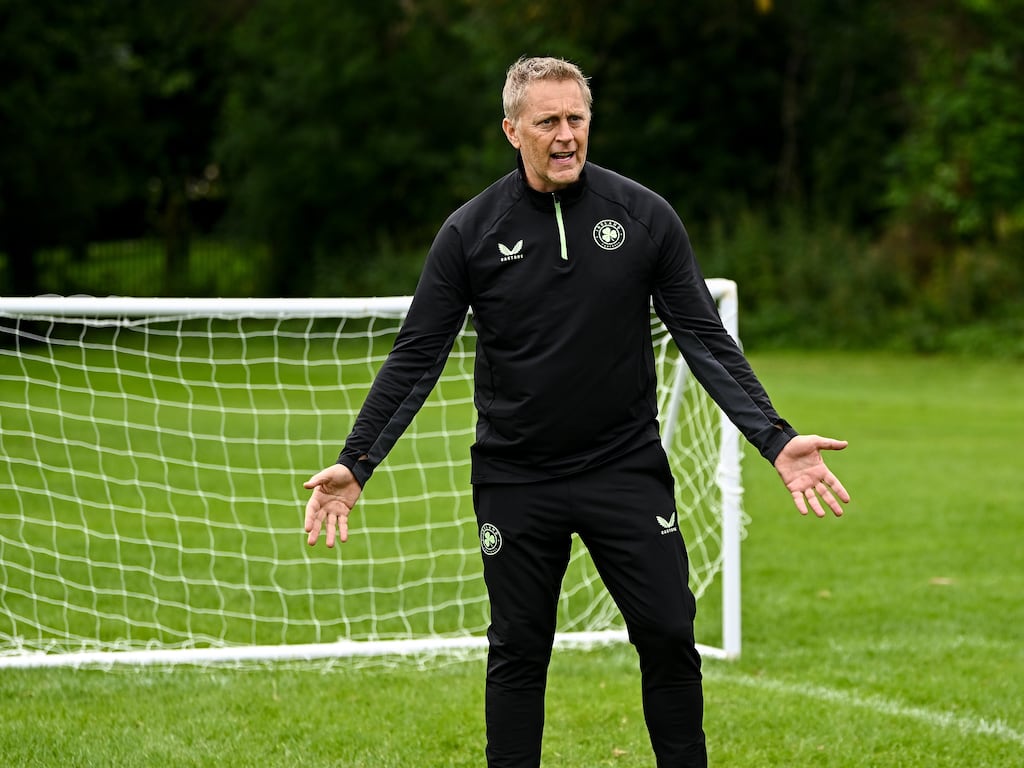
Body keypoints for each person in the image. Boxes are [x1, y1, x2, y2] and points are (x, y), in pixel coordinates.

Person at [303, 56, 850, 768]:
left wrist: (775, 440)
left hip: (623, 468)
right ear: (511, 130)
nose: (566, 136)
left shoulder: (643, 216)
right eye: (548, 122)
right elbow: (417, 356)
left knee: (667, 632)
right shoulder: (470, 233)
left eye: (577, 119)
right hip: (516, 477)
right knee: (519, 651)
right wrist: (357, 461)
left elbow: (703, 337)